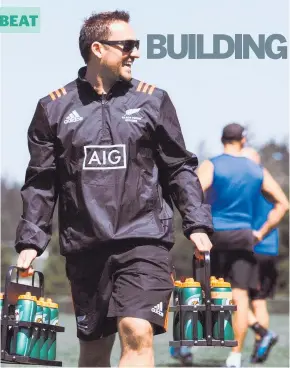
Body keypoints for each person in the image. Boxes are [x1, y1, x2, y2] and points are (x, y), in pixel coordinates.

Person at [14, 10, 214, 368]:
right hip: (86, 246)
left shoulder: (153, 100)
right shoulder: (52, 108)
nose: (136, 53)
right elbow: (41, 182)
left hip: (145, 240)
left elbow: (180, 167)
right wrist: (31, 240)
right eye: (128, 45)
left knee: (136, 330)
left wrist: (196, 223)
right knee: (93, 350)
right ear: (97, 49)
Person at [197, 123, 289, 368]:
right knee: (240, 296)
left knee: (216, 293)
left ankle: (235, 338)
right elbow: (283, 203)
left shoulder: (212, 164)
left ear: (222, 139)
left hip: (216, 236)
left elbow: (190, 193)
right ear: (243, 140)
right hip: (244, 237)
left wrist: (196, 227)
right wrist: (261, 232)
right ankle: (235, 356)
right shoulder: (255, 169)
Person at [241, 147, 288, 364]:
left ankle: (261, 337)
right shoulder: (269, 183)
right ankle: (260, 348)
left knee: (235, 297)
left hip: (248, 248)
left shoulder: (244, 182)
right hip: (269, 248)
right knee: (259, 302)